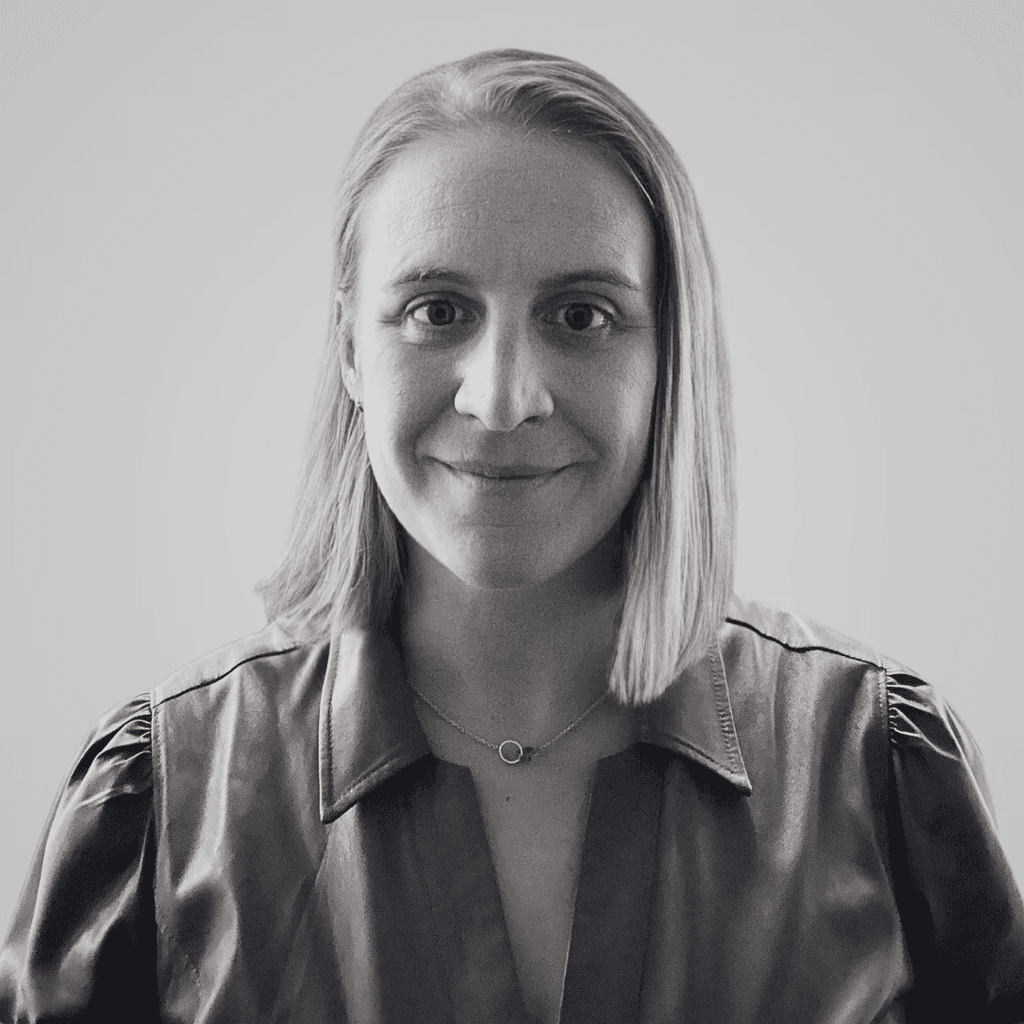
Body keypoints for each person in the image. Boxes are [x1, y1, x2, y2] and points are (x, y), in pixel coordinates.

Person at [1, 47, 1022, 1024]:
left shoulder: (876, 760)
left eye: (581, 316)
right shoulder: (162, 795)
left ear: (671, 352)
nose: (500, 398)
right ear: (351, 348)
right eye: (436, 309)